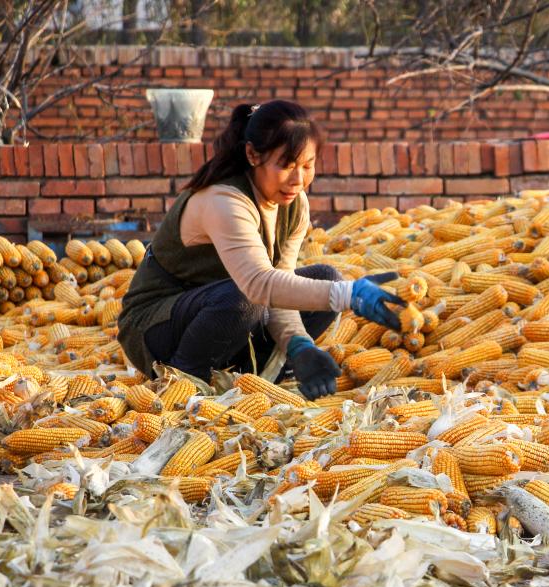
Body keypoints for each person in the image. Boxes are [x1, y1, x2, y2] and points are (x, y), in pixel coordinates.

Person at [118, 100, 403, 398]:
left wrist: (299, 345)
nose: (298, 180)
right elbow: (258, 284)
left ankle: (257, 375)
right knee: (248, 297)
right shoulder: (224, 200)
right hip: (156, 326)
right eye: (287, 165)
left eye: (308, 166)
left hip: (230, 315)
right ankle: (184, 381)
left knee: (325, 277)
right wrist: (348, 295)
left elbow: (281, 288)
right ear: (253, 155)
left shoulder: (293, 205)